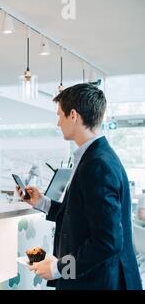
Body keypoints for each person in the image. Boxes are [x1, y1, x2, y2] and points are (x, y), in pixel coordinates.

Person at [16, 83, 142, 290]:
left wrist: (57, 268)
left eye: (60, 115)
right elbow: (82, 216)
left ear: (73, 115)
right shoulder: (95, 157)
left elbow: (107, 242)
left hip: (98, 281)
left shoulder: (97, 164)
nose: (58, 123)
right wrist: (43, 203)